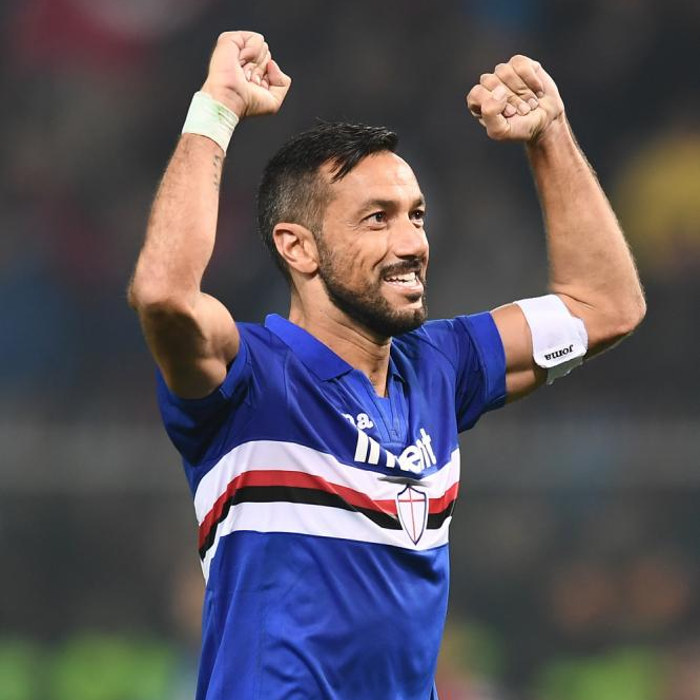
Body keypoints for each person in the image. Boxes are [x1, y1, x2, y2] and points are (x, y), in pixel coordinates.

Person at [128, 31, 645, 700]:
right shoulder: (248, 379)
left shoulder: (442, 366)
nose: (412, 243)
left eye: (417, 216)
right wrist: (217, 107)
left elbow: (606, 306)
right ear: (299, 248)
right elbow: (164, 295)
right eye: (377, 219)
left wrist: (550, 137)